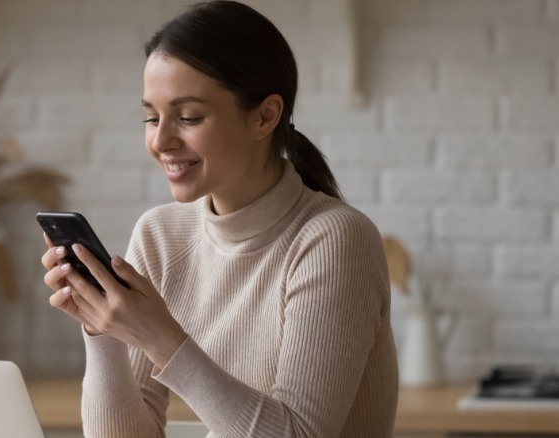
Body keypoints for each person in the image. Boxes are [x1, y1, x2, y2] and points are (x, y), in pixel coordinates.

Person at [40, 1, 399, 436]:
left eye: (189, 116)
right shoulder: (160, 235)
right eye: (151, 118)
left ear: (265, 116)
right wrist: (102, 333)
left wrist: (160, 337)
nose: (161, 140)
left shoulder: (334, 240)